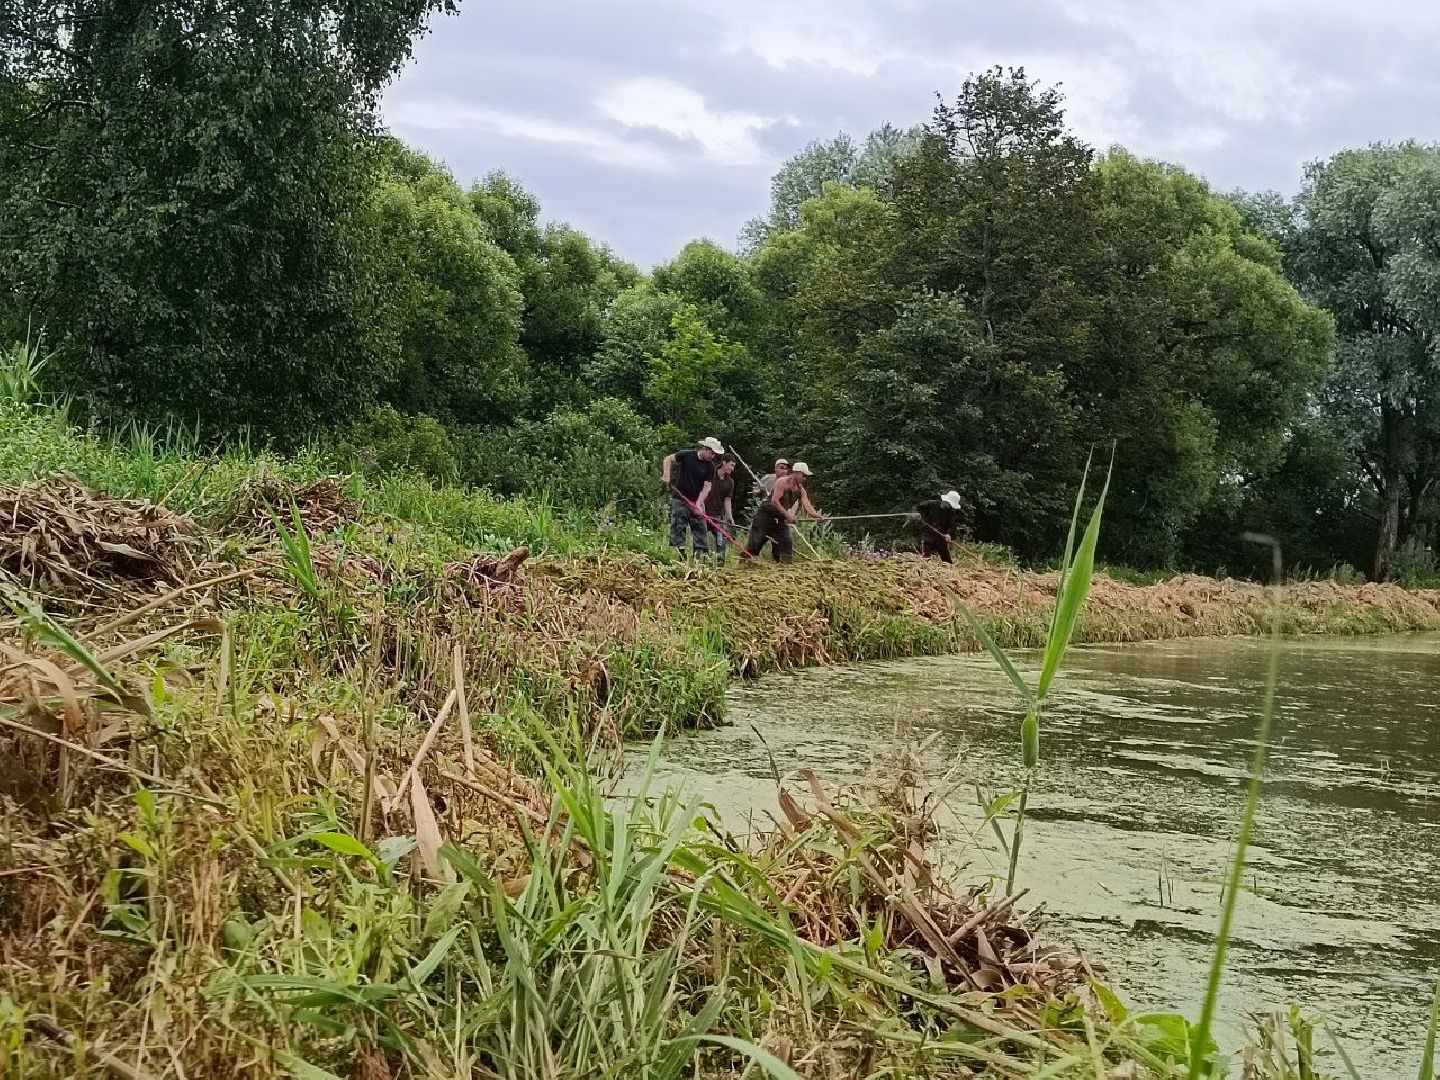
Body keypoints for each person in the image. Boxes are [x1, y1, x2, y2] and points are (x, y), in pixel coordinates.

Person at [745, 461, 824, 563]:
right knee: (755, 542)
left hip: (780, 518)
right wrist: (788, 515)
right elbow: (774, 501)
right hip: (766, 515)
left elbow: (808, 506)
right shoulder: (782, 482)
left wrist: (817, 516)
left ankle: (785, 567)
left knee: (786, 543)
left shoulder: (800, 490)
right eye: (803, 475)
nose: (805, 478)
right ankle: (745, 563)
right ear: (796, 473)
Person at [662, 437, 722, 558]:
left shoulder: (710, 467)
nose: (713, 456)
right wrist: (666, 474)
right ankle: (679, 554)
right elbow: (668, 459)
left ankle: (700, 556)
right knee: (678, 526)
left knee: (700, 527)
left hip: (696, 501)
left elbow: (707, 487)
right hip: (680, 498)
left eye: (715, 454)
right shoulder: (686, 455)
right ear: (705, 449)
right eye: (712, 453)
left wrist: (699, 504)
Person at [913, 490, 965, 563]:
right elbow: (916, 508)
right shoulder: (930, 504)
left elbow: (952, 525)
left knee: (947, 560)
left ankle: (949, 570)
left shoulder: (951, 511)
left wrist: (949, 534)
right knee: (926, 557)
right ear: (945, 501)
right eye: (949, 504)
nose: (950, 506)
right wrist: (918, 516)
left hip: (941, 536)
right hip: (928, 534)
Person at [703, 456, 738, 562]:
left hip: (718, 516)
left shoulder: (730, 482)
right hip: (703, 513)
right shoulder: (710, 475)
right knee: (701, 541)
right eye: (731, 465)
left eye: (734, 466)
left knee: (721, 541)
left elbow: (727, 501)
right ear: (724, 463)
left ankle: (720, 565)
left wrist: (730, 518)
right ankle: (701, 562)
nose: (732, 468)